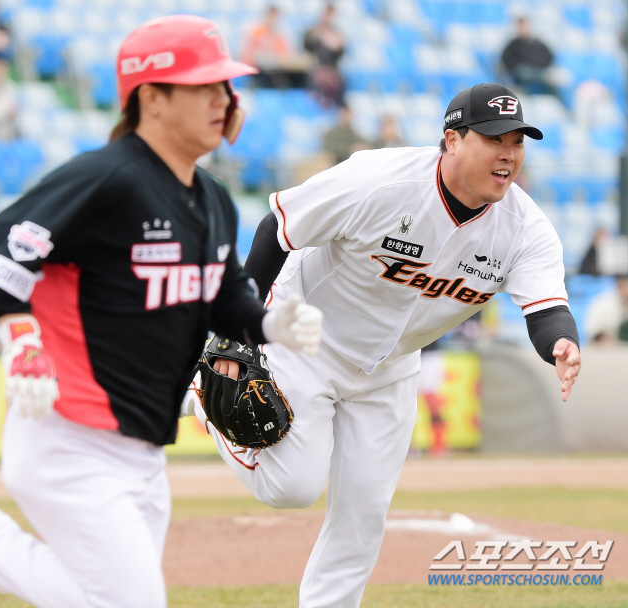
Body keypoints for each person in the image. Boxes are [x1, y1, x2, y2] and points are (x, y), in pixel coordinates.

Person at [0, 16, 321, 608]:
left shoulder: (213, 199)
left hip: (142, 445)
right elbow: (0, 247)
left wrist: (270, 324)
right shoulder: (107, 178)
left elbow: (224, 300)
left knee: (99, 595)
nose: (225, 100)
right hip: (68, 437)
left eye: (226, 87)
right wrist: (20, 337)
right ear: (153, 98)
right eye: (205, 87)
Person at [195, 83, 582, 608]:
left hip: (391, 366)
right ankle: (205, 389)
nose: (509, 153)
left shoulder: (524, 229)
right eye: (495, 138)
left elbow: (546, 311)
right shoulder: (378, 179)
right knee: (292, 488)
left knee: (364, 511)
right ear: (452, 140)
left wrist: (561, 343)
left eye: (518, 141)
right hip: (306, 337)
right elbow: (277, 230)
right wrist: (232, 338)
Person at [500, 16, 557, 97]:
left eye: (524, 26)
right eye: (520, 26)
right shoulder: (512, 45)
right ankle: (544, 78)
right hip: (521, 75)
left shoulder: (538, 43)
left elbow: (548, 57)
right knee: (524, 72)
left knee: (553, 84)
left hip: (539, 71)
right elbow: (507, 61)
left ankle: (557, 103)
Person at [303, 3, 345, 108]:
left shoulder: (335, 33)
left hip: (331, 70)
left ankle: (336, 109)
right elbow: (307, 47)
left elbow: (339, 53)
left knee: (340, 82)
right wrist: (316, 36)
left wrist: (338, 46)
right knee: (316, 81)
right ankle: (316, 106)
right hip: (316, 68)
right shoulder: (314, 30)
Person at [240, 5, 293, 89]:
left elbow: (285, 56)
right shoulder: (256, 31)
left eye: (275, 17)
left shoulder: (281, 34)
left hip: (276, 69)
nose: (273, 19)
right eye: (271, 16)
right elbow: (247, 53)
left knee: (284, 81)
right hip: (258, 69)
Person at [584, 275, 628, 343]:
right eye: (624, 286)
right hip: (603, 347)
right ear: (617, 287)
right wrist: (604, 337)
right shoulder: (601, 303)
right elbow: (591, 329)